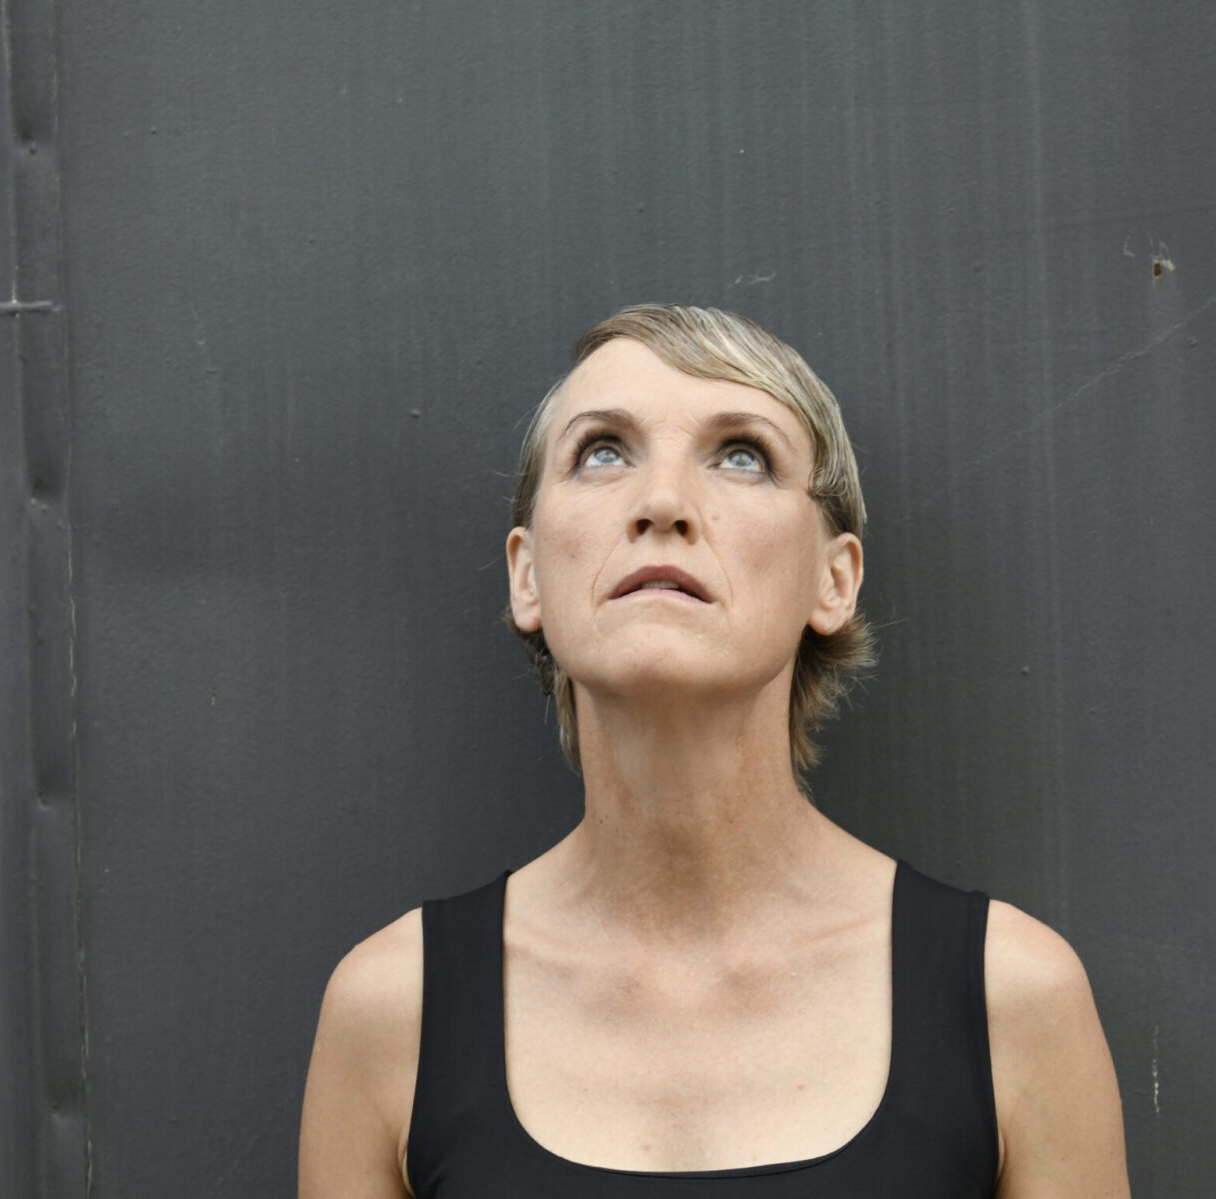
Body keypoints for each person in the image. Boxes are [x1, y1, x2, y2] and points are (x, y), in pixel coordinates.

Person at [298, 305, 1130, 1197]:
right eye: (602, 452)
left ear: (834, 578)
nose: (662, 503)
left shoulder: (1012, 1001)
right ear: (527, 574)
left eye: (742, 455)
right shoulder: (392, 1013)